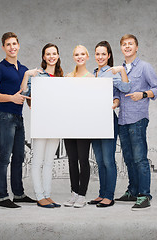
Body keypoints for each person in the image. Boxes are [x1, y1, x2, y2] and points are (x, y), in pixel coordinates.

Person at [0, 32, 36, 209]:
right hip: (4, 115)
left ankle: (19, 194)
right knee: (4, 156)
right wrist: (11, 98)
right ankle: (2, 197)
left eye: (14, 44)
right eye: (8, 44)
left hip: (18, 117)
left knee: (19, 157)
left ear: (19, 45)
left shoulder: (24, 70)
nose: (12, 47)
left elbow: (26, 95)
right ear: (3, 48)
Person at [114, 34, 157, 210]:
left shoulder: (144, 67)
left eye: (130, 44)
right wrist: (115, 101)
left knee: (140, 158)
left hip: (138, 119)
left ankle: (144, 195)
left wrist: (142, 94)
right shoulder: (119, 70)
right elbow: (118, 93)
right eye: (124, 44)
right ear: (121, 48)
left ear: (136, 47)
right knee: (128, 158)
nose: (127, 47)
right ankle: (132, 191)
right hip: (123, 119)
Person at [87, 41, 130, 208]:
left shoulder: (112, 72)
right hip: (94, 120)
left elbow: (125, 88)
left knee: (107, 160)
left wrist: (121, 70)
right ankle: (101, 194)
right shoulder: (93, 73)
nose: (100, 57)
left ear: (109, 55)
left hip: (107, 119)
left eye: (103, 54)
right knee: (98, 160)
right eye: (97, 54)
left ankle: (109, 196)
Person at [20, 43, 63, 208]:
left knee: (50, 162)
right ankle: (39, 196)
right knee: (37, 161)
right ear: (44, 57)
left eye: (54, 53)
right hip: (41, 122)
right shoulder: (36, 75)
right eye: (48, 54)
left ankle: (47, 195)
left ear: (58, 56)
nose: (51, 56)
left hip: (56, 123)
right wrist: (26, 75)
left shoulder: (61, 78)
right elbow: (24, 93)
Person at [63, 45, 94, 208]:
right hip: (69, 124)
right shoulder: (68, 76)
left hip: (84, 124)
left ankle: (82, 194)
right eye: (76, 54)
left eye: (82, 54)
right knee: (72, 160)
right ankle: (74, 193)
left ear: (87, 57)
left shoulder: (92, 78)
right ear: (73, 57)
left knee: (83, 159)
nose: (79, 57)